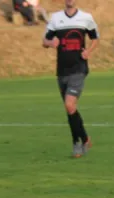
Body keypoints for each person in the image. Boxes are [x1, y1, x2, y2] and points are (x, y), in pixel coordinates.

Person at [43, 0, 99, 158]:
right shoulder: (55, 18)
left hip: (79, 69)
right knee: (70, 109)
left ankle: (80, 141)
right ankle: (80, 140)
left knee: (69, 104)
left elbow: (95, 38)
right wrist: (50, 42)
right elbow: (44, 41)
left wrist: (88, 51)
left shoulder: (86, 18)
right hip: (61, 70)